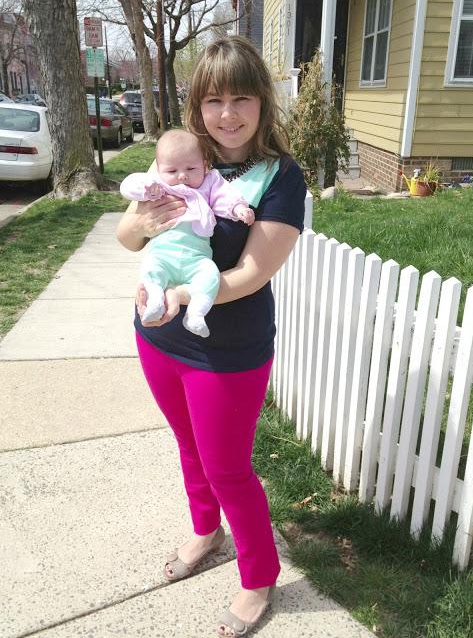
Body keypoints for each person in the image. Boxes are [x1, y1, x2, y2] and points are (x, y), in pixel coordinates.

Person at [116, 36, 306, 637]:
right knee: (188, 446)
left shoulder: (281, 177)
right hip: (159, 340)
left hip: (227, 352)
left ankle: (258, 577)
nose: (227, 114)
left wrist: (178, 296)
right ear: (197, 105)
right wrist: (144, 221)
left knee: (229, 469)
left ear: (261, 102)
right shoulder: (180, 158)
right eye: (214, 100)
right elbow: (127, 237)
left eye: (241, 98)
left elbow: (252, 273)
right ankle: (206, 530)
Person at [120, 129, 254, 336]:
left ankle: (196, 314)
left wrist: (238, 209)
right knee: (152, 271)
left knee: (210, 275)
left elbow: (224, 196)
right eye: (172, 171)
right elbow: (129, 185)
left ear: (205, 165)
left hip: (197, 258)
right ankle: (155, 300)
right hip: (163, 254)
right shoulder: (159, 184)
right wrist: (146, 189)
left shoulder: (209, 183)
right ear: (160, 170)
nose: (182, 175)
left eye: (191, 168)